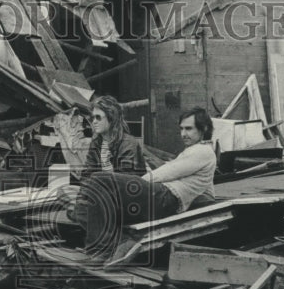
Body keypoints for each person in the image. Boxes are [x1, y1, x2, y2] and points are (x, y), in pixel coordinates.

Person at [80, 107, 217, 264]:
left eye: (189, 129)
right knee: (87, 204)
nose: (183, 134)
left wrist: (139, 184)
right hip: (163, 198)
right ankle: (119, 241)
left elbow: (169, 172)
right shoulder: (196, 152)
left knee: (99, 180)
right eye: (181, 129)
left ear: (204, 129)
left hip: (166, 197)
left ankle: (101, 249)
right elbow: (206, 187)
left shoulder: (202, 151)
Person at [56, 95, 145, 222]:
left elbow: (125, 180)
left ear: (111, 118)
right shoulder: (96, 143)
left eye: (98, 117)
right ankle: (94, 215)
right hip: (99, 194)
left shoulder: (128, 143)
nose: (94, 122)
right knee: (63, 191)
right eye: (92, 118)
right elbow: (87, 174)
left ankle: (87, 215)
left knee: (84, 207)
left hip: (124, 196)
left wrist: (96, 190)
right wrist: (88, 193)